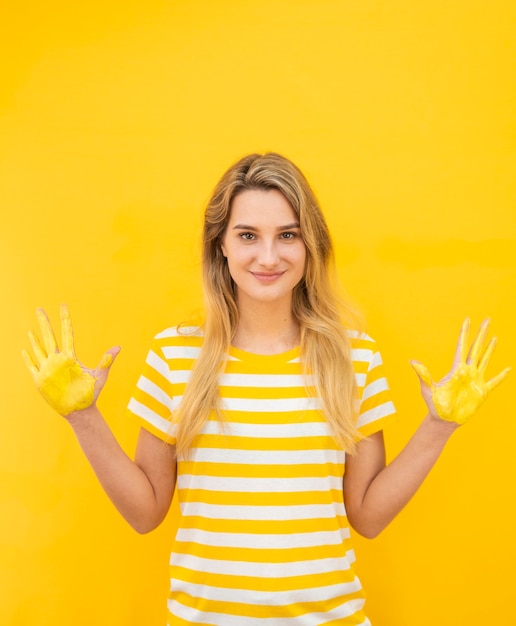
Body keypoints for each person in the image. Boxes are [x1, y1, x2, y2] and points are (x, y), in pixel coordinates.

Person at [23, 153, 509, 625]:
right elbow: (146, 512)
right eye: (248, 235)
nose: (269, 256)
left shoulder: (353, 357)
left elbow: (368, 516)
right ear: (222, 245)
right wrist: (83, 417)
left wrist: (439, 425)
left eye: (288, 235)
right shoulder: (175, 357)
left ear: (309, 244)